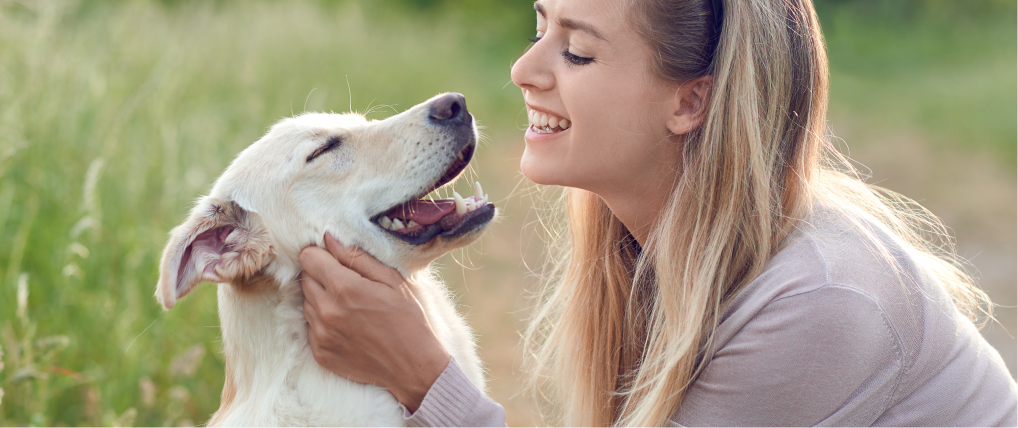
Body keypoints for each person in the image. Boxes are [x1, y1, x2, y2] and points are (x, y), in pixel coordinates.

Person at [298, 0, 1018, 426]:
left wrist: (426, 380)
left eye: (576, 51)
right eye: (541, 23)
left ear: (689, 102)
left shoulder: (816, 301)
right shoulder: (645, 248)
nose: (524, 68)